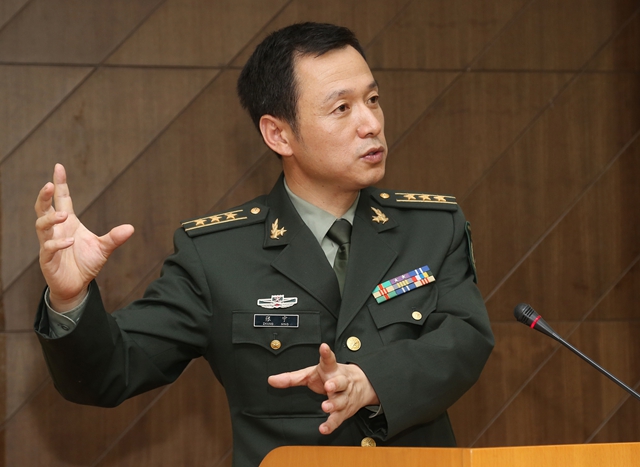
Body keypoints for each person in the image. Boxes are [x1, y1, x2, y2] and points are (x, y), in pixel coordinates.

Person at [34, 22, 494, 467]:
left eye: (373, 100)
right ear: (278, 134)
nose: (371, 123)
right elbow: (108, 374)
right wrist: (70, 298)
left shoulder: (432, 227)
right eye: (342, 108)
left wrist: (372, 381)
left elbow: (465, 339)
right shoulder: (217, 254)